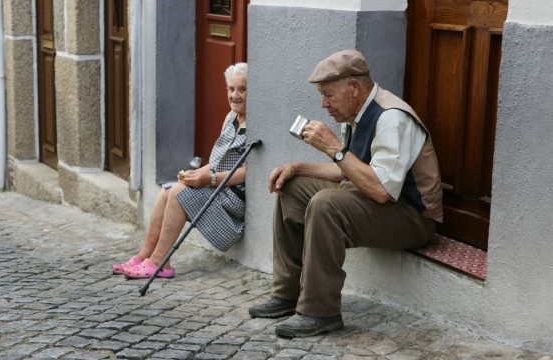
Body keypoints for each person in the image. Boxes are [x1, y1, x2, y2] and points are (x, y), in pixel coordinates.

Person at [248, 50, 443, 338]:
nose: (323, 104)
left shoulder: (392, 118)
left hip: (413, 217)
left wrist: (334, 149)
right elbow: (347, 170)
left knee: (327, 204)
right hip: (377, 201)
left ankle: (320, 311)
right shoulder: (353, 112)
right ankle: (287, 293)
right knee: (292, 186)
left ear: (354, 88)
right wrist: (299, 167)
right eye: (321, 95)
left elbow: (380, 191)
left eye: (328, 95)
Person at [113, 62, 248, 279]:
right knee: (168, 189)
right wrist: (194, 175)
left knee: (178, 193)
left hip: (233, 198)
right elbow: (217, 161)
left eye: (242, 89)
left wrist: (209, 179)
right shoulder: (230, 118)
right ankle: (145, 255)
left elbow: (248, 172)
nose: (235, 95)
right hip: (217, 187)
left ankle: (159, 262)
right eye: (231, 89)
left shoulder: (255, 125)